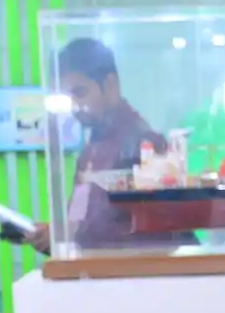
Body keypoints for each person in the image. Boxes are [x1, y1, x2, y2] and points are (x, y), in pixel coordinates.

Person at [27, 38, 184, 254]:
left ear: (110, 84)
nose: (74, 106)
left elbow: (160, 240)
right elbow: (81, 219)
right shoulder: (91, 149)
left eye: (80, 92)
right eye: (67, 97)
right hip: (92, 270)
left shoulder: (144, 145)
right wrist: (57, 235)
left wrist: (74, 239)